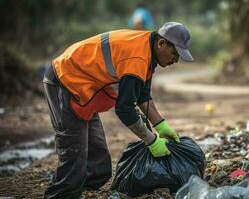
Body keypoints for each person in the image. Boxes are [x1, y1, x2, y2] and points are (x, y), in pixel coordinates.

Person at [42, 22, 193, 199]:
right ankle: (62, 194)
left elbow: (143, 96)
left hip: (85, 90)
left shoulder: (147, 50)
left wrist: (161, 125)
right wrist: (151, 141)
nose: (175, 60)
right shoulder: (138, 58)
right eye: (174, 54)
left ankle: (82, 189)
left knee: (99, 167)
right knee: (74, 156)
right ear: (161, 43)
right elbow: (125, 109)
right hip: (65, 80)